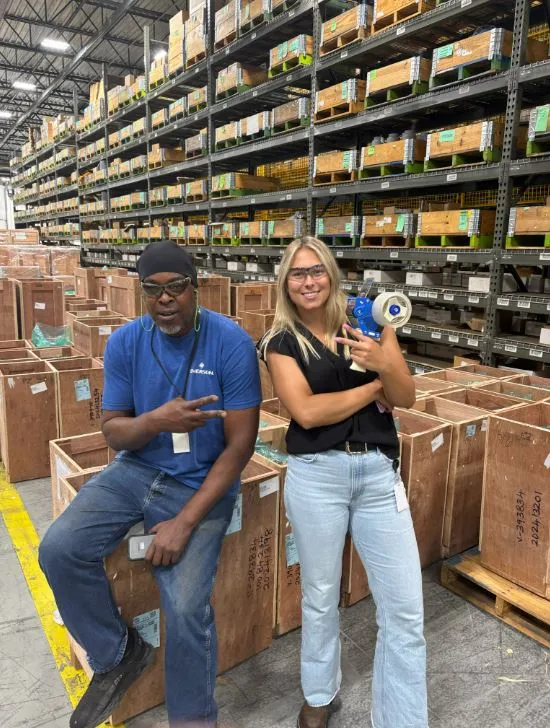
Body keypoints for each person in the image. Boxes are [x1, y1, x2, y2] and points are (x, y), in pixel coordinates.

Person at [39, 240, 262, 728]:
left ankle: (193, 718)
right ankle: (117, 653)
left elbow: (241, 445)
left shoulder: (230, 343)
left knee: (184, 606)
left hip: (201, 483)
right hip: (136, 470)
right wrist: (156, 421)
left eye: (176, 287)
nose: (165, 299)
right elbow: (114, 431)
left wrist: (184, 522)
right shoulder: (126, 342)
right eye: (152, 289)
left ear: (194, 288)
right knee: (58, 549)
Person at [261, 237, 427, 728]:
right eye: (297, 273)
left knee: (405, 609)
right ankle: (319, 693)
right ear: (285, 283)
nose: (308, 281)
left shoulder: (366, 322)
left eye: (317, 270)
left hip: (378, 475)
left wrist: (387, 364)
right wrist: (377, 384)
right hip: (317, 477)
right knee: (319, 596)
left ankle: (401, 721)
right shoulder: (280, 342)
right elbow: (308, 413)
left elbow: (407, 397)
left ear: (331, 274)